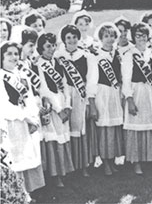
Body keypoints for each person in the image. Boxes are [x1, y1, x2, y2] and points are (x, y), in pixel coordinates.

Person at [0, 42, 45, 193]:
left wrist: (34, 117)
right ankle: (19, 194)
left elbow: (30, 98)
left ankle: (29, 193)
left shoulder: (22, 74)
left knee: (27, 155)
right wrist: (26, 118)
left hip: (27, 122)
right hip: (12, 123)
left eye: (16, 53)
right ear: (2, 57)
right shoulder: (1, 76)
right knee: (16, 158)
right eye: (9, 54)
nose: (13, 57)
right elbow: (5, 106)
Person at [54, 25, 94, 177]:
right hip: (64, 94)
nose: (71, 40)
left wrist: (89, 99)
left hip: (80, 93)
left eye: (74, 37)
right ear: (63, 39)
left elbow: (90, 79)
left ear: (78, 38)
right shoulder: (58, 56)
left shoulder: (85, 55)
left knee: (79, 126)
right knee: (66, 128)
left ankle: (82, 165)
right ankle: (68, 166)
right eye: (68, 37)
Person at [36, 33, 74, 187]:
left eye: (53, 45)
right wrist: (59, 109)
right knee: (54, 138)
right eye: (47, 46)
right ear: (41, 48)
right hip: (51, 105)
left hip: (62, 101)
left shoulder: (57, 62)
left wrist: (67, 105)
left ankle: (64, 171)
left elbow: (65, 84)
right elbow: (43, 88)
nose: (51, 49)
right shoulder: (39, 64)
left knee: (63, 137)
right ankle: (55, 175)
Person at [121, 22, 152, 175]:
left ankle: (148, 158)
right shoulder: (129, 54)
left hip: (149, 91)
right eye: (138, 35)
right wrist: (129, 99)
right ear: (133, 37)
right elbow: (126, 79)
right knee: (135, 125)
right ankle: (136, 162)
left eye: (144, 35)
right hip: (135, 91)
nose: (141, 38)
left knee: (148, 124)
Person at [87, 22, 124, 176]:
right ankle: (105, 162)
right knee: (104, 129)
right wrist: (92, 102)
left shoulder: (118, 53)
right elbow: (91, 81)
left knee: (114, 128)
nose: (109, 39)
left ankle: (113, 159)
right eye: (106, 36)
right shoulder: (95, 56)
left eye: (112, 36)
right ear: (100, 38)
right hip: (102, 93)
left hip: (115, 93)